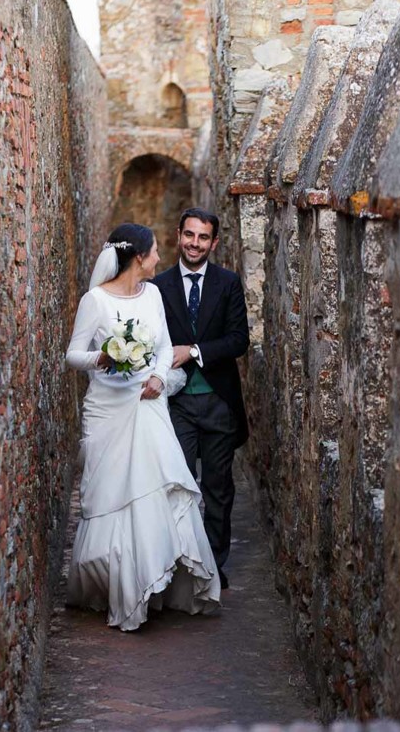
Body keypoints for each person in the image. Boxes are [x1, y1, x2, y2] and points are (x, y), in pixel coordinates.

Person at [64, 222, 221, 631]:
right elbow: (73, 355)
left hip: (148, 402)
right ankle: (115, 582)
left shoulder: (153, 295)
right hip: (108, 407)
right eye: (153, 253)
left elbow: (166, 345)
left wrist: (156, 376)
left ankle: (155, 582)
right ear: (138, 257)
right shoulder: (94, 301)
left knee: (154, 487)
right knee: (112, 492)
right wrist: (105, 357)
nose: (158, 259)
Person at [152, 208, 249, 589]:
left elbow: (238, 340)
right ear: (178, 235)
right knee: (177, 483)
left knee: (218, 488)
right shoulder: (158, 287)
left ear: (214, 242)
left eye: (203, 238)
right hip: (176, 404)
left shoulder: (228, 283)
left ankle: (212, 564)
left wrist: (193, 350)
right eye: (189, 235)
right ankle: (179, 562)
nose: (195, 243)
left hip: (218, 403)